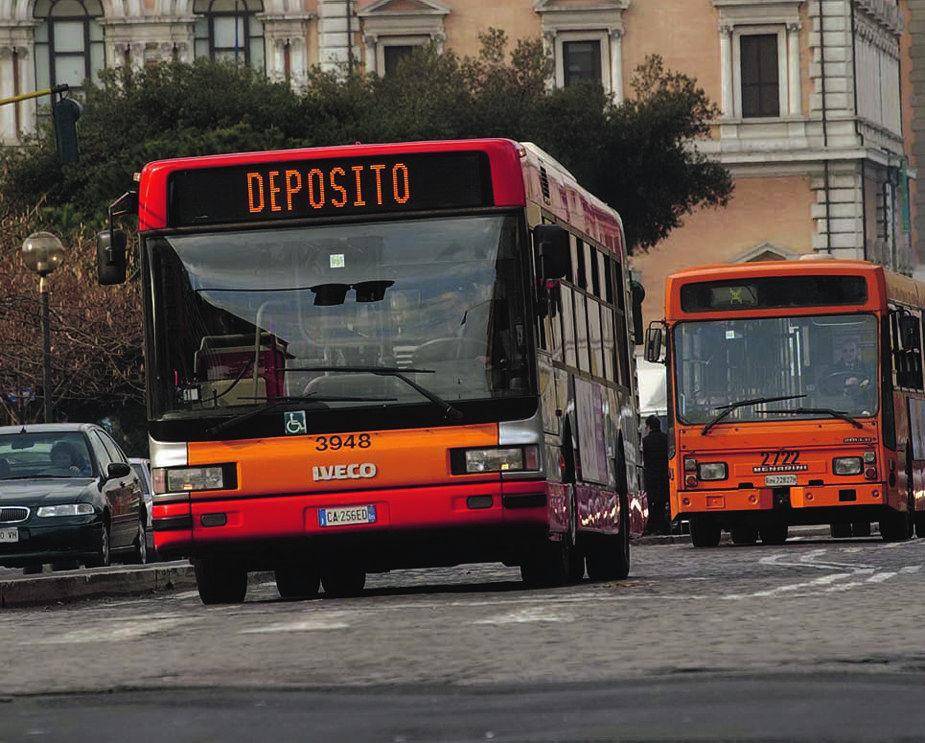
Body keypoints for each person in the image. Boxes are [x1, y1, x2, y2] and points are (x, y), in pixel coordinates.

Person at [642, 415, 670, 535]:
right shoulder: (666, 439)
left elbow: (645, 459)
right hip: (664, 476)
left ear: (649, 426)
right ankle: (662, 526)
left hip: (651, 476)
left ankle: (654, 526)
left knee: (652, 502)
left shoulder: (646, 441)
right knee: (662, 503)